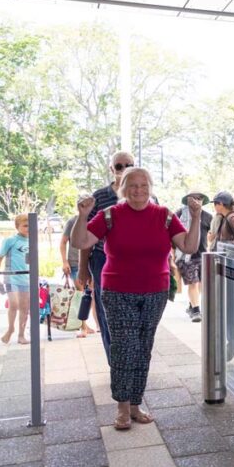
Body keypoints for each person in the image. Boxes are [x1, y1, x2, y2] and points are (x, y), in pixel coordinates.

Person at [71, 167, 202, 430]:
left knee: (143, 346)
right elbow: (81, 241)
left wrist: (196, 217)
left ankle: (135, 404)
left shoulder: (164, 216)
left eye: (143, 185)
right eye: (132, 185)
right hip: (118, 291)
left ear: (151, 188)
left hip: (155, 291)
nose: (138, 190)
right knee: (123, 346)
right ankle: (121, 406)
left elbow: (188, 246)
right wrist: (82, 215)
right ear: (123, 188)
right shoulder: (110, 215)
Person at [78, 150, 135, 362]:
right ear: (112, 170)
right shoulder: (100, 196)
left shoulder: (143, 193)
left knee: (134, 307)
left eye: (129, 165)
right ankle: (114, 360)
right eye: (119, 166)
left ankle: (131, 357)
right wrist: (83, 269)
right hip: (103, 259)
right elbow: (86, 235)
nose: (124, 169)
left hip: (134, 262)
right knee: (105, 309)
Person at [174, 192, 212, 323]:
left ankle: (192, 304)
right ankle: (196, 310)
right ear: (187, 201)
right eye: (193, 198)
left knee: (201, 283)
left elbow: (210, 235)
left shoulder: (207, 216)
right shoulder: (179, 214)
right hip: (186, 256)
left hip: (202, 255)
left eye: (199, 198)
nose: (196, 201)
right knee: (193, 283)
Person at [60, 214, 95, 337]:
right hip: (75, 263)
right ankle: (83, 327)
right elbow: (63, 242)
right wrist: (65, 262)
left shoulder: (96, 218)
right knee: (81, 295)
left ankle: (88, 324)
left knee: (91, 294)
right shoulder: (72, 221)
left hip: (92, 262)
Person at [0, 214, 31, 345]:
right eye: (25, 226)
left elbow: (31, 261)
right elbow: (0, 256)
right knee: (14, 304)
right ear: (17, 227)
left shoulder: (31, 241)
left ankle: (21, 334)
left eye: (30, 226)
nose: (28, 228)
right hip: (11, 277)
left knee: (25, 307)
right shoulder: (10, 241)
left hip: (26, 278)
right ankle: (11, 328)